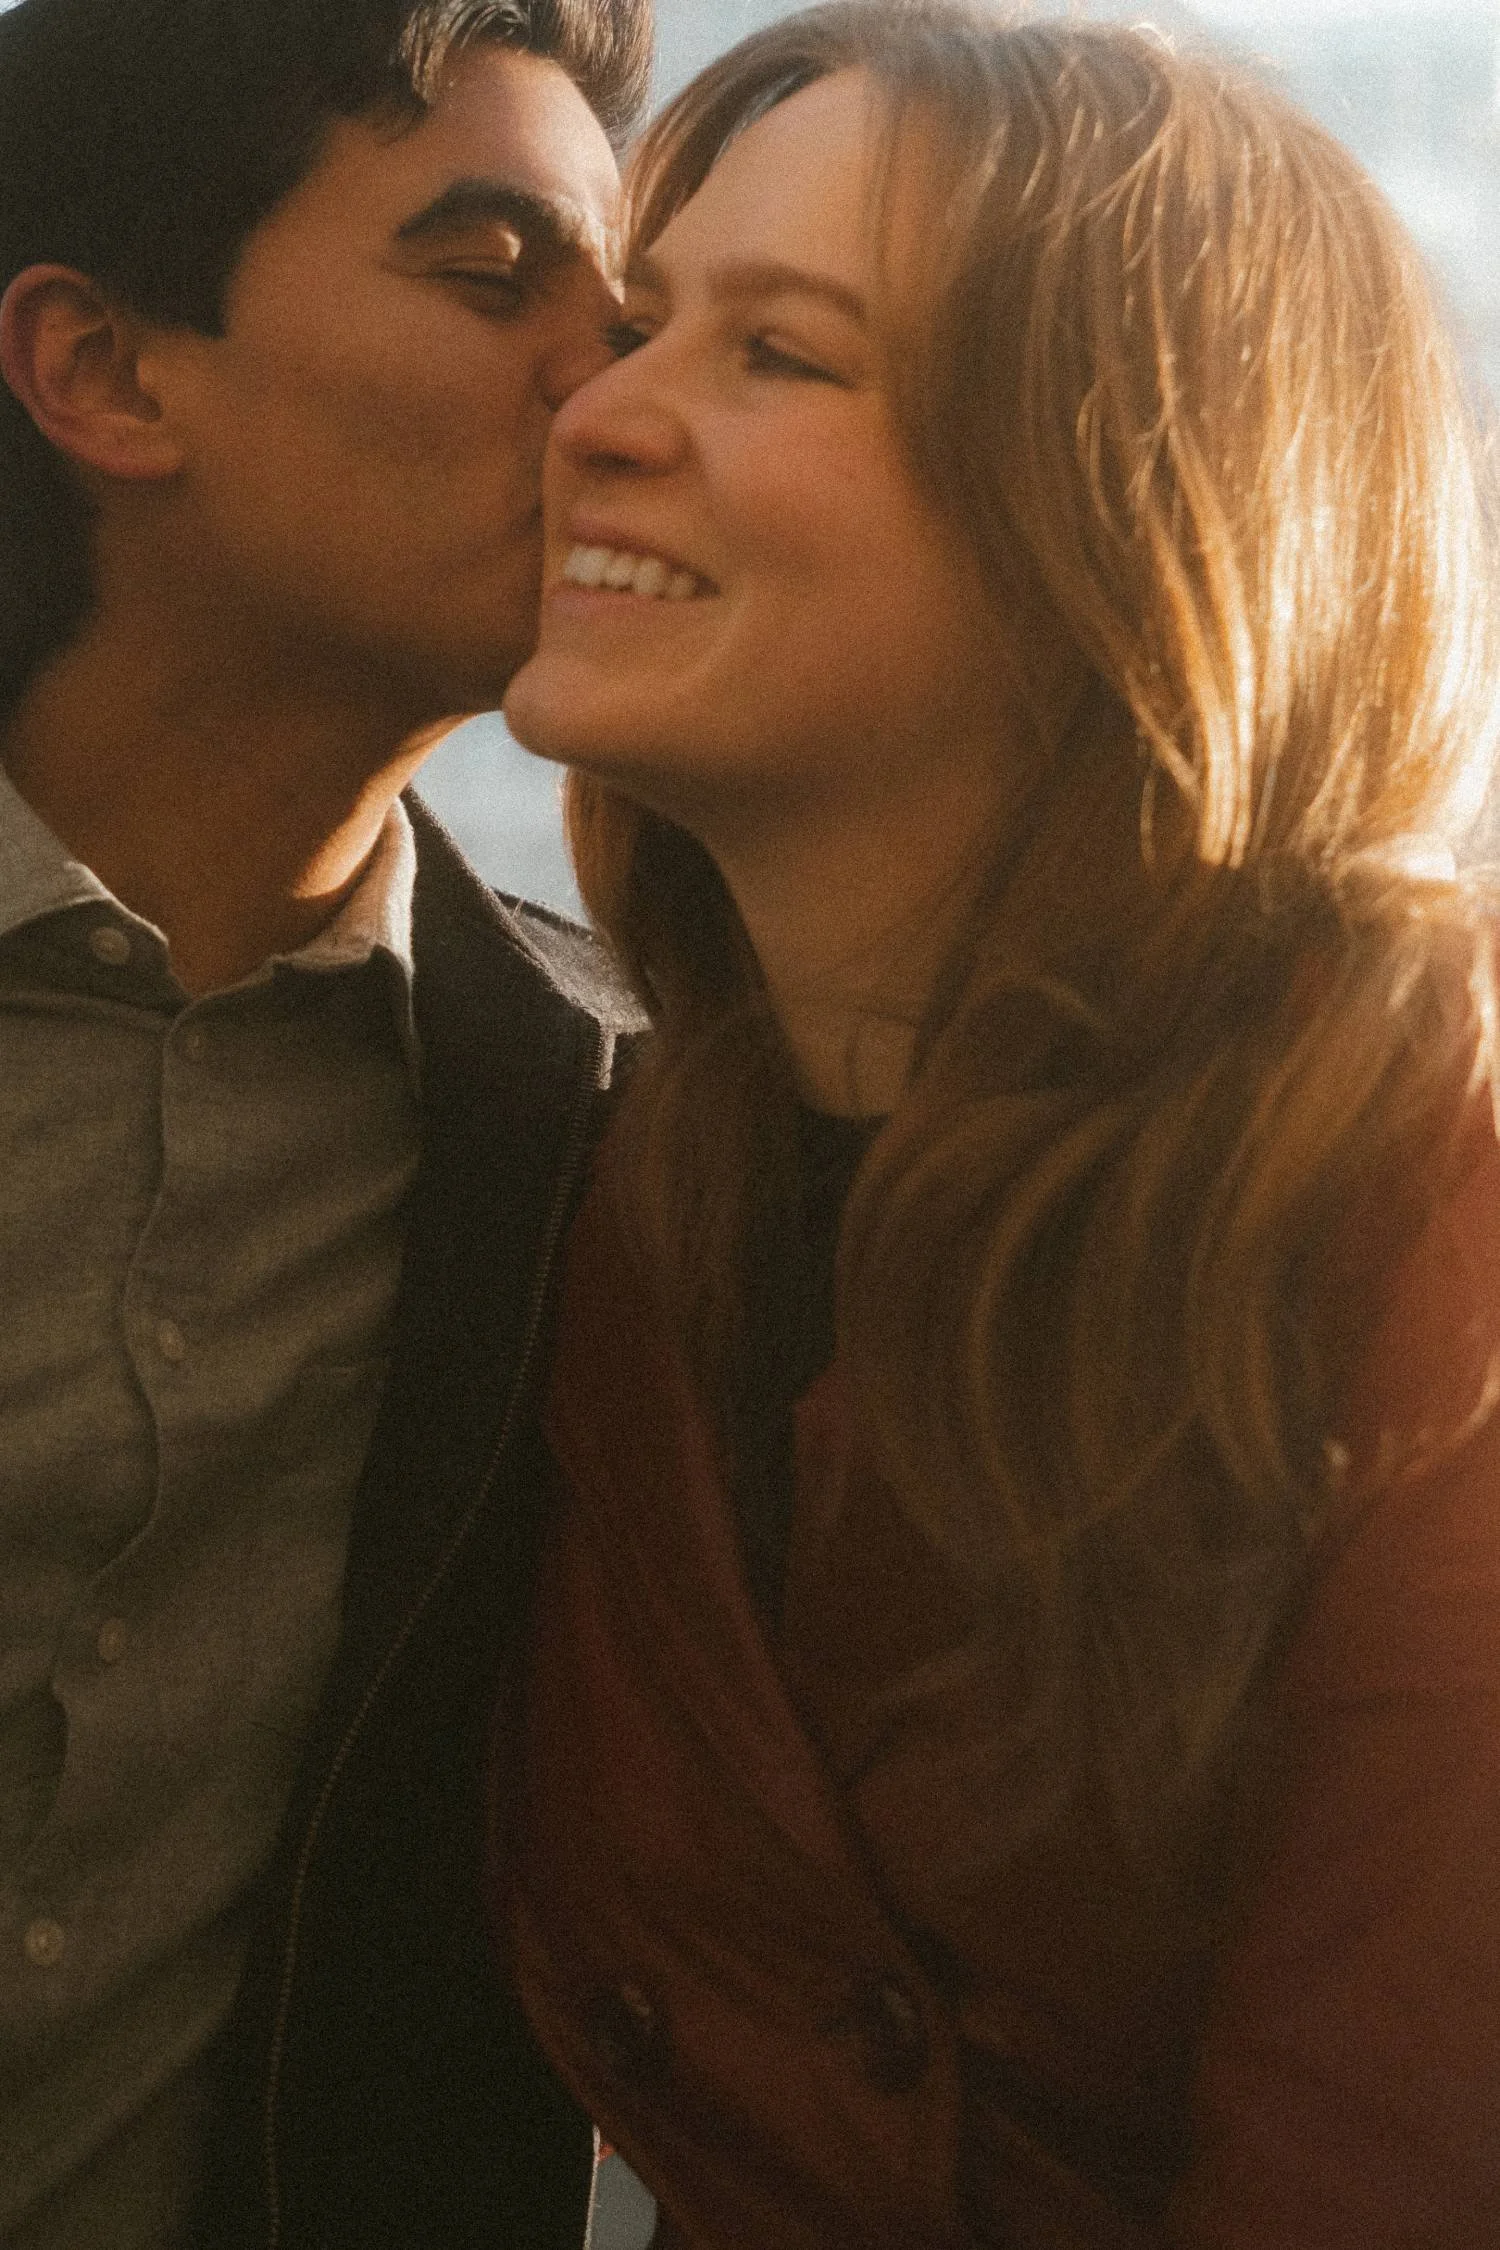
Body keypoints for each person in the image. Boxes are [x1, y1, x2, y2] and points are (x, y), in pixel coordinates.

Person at [492, 6, 1500, 2244]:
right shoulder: (635, 1211)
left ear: (1118, 506)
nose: (600, 407)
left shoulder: (1428, 1187)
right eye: (644, 319)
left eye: (781, 356)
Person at [0, 0, 652, 2243]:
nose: (621, 388)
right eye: (495, 278)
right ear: (103, 371)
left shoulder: (598, 1145)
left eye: (635, 317)